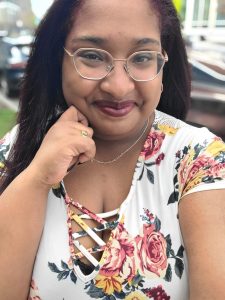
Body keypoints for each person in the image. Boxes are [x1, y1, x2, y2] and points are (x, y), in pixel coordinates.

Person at [0, 0, 225, 299]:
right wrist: (38, 177)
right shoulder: (19, 148)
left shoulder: (198, 160)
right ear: (58, 60)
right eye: (92, 56)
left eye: (142, 57)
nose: (118, 87)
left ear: (163, 63)